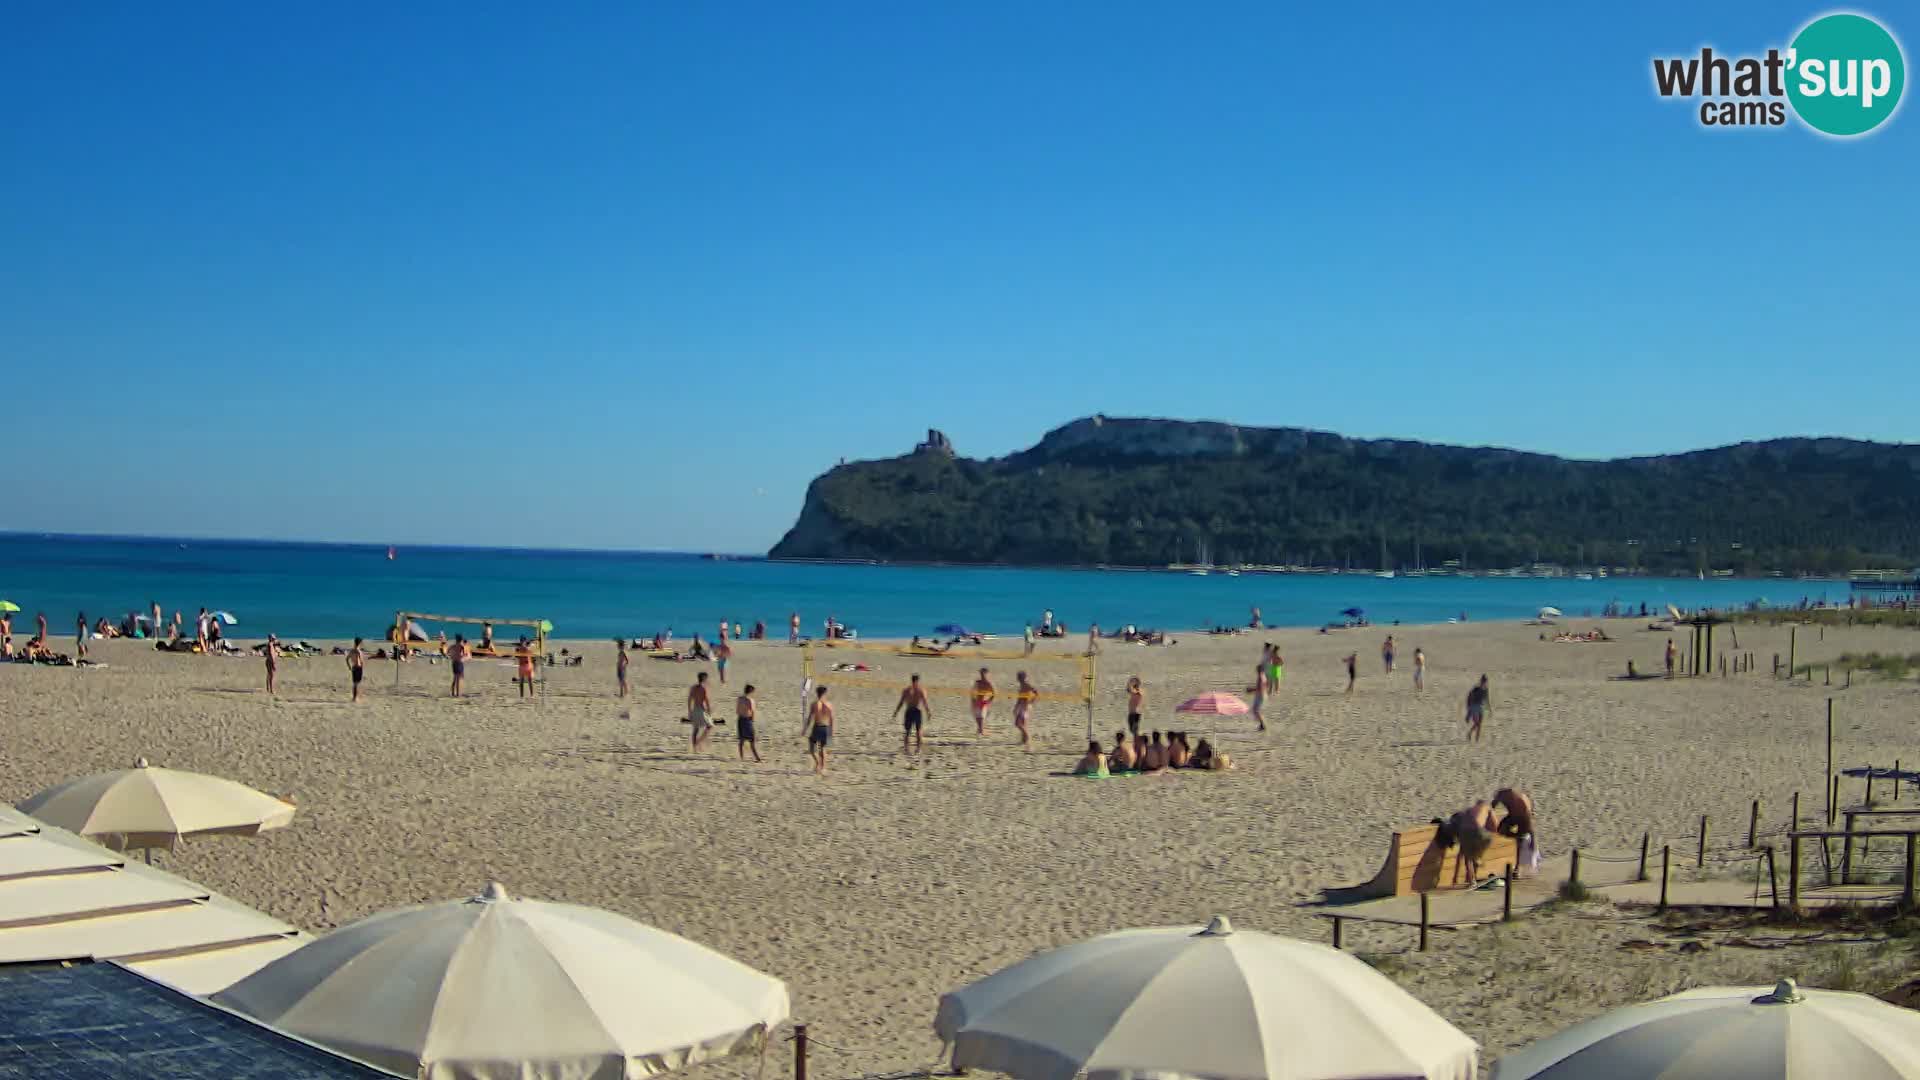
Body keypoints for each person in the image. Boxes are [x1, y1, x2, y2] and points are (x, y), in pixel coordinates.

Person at [1447, 801, 1498, 885]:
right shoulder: (1479, 810)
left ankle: (1472, 880)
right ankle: (1474, 869)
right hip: (1480, 833)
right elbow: (1495, 827)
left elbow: (1459, 857)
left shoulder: (1465, 817)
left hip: (1468, 831)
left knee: (1468, 858)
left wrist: (1455, 878)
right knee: (1472, 855)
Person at [894, 673, 930, 755]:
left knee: (908, 731)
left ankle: (906, 749)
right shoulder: (921, 690)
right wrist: (928, 712)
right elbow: (925, 702)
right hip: (917, 711)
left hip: (909, 711)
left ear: (911, 680)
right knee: (918, 731)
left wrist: (896, 711)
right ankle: (918, 749)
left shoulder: (906, 690)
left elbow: (901, 702)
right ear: (918, 680)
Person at [805, 684, 834, 775]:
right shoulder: (829, 705)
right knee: (823, 749)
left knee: (812, 749)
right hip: (825, 727)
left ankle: (818, 763)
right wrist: (831, 731)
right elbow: (831, 719)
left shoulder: (814, 704)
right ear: (824, 693)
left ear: (817, 693)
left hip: (816, 727)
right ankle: (823, 768)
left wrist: (805, 729)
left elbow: (810, 718)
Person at [687, 671, 714, 750]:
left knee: (696, 729)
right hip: (701, 710)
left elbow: (689, 699)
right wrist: (709, 710)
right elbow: (706, 700)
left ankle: (694, 746)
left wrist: (689, 711)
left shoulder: (693, 687)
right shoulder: (703, 688)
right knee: (709, 726)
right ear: (704, 678)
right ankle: (698, 742)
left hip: (695, 709)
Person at [736, 684, 762, 762]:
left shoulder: (739, 699)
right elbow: (752, 711)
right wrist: (752, 721)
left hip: (740, 719)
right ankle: (757, 758)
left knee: (741, 740)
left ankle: (742, 757)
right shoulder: (750, 700)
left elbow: (737, 711)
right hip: (747, 720)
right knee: (752, 740)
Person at [1012, 671, 1036, 748]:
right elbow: (1019, 698)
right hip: (1021, 705)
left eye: (1019, 677)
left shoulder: (1027, 685)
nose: (1018, 679)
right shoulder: (1021, 686)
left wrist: (1031, 701)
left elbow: (1035, 693)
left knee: (1019, 724)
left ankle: (1028, 739)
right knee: (1021, 724)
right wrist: (1016, 706)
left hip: (1025, 706)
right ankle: (1024, 740)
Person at [1465, 675, 1491, 742]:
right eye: (1483, 681)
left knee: (1480, 724)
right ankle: (1470, 733)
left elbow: (1487, 700)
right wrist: (1469, 711)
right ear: (1481, 681)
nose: (1484, 682)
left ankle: (1477, 740)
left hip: (1481, 707)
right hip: (1474, 707)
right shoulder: (1476, 688)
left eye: (1485, 681)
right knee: (1477, 723)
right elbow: (1469, 698)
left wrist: (1489, 709)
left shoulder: (1486, 689)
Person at [970, 667, 995, 736]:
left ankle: (982, 731)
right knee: (977, 717)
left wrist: (989, 701)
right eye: (981, 673)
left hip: (984, 702)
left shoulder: (989, 683)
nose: (981, 675)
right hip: (977, 701)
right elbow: (972, 692)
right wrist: (973, 700)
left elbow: (994, 693)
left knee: (981, 717)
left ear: (986, 674)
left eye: (983, 673)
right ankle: (980, 730)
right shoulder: (978, 682)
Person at [1250, 663, 1269, 732]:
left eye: (1257, 669)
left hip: (1260, 696)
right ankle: (1262, 725)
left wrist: (1251, 689)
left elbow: (1260, 688)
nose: (1256, 671)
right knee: (1255, 710)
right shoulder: (1263, 676)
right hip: (1262, 695)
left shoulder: (1261, 677)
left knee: (1256, 710)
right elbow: (1266, 686)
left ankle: (1262, 725)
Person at [347, 637, 366, 702]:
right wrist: (361, 666)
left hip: (354, 667)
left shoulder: (352, 651)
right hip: (358, 667)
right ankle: (355, 698)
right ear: (359, 643)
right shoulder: (358, 651)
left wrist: (349, 666)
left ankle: (354, 697)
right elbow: (360, 660)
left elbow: (347, 659)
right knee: (357, 683)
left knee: (355, 683)